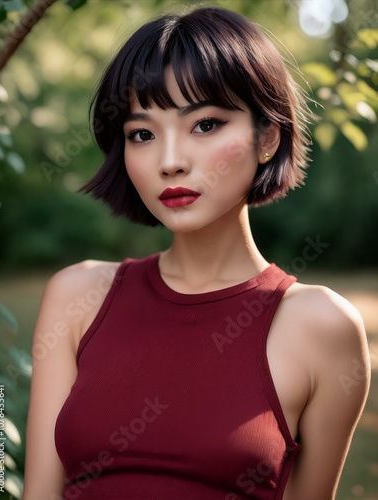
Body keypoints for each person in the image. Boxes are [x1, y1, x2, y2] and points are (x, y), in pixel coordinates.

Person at [22, 6, 370, 500]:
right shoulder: (77, 297)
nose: (169, 161)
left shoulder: (321, 326)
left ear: (267, 137)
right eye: (142, 134)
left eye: (204, 125)